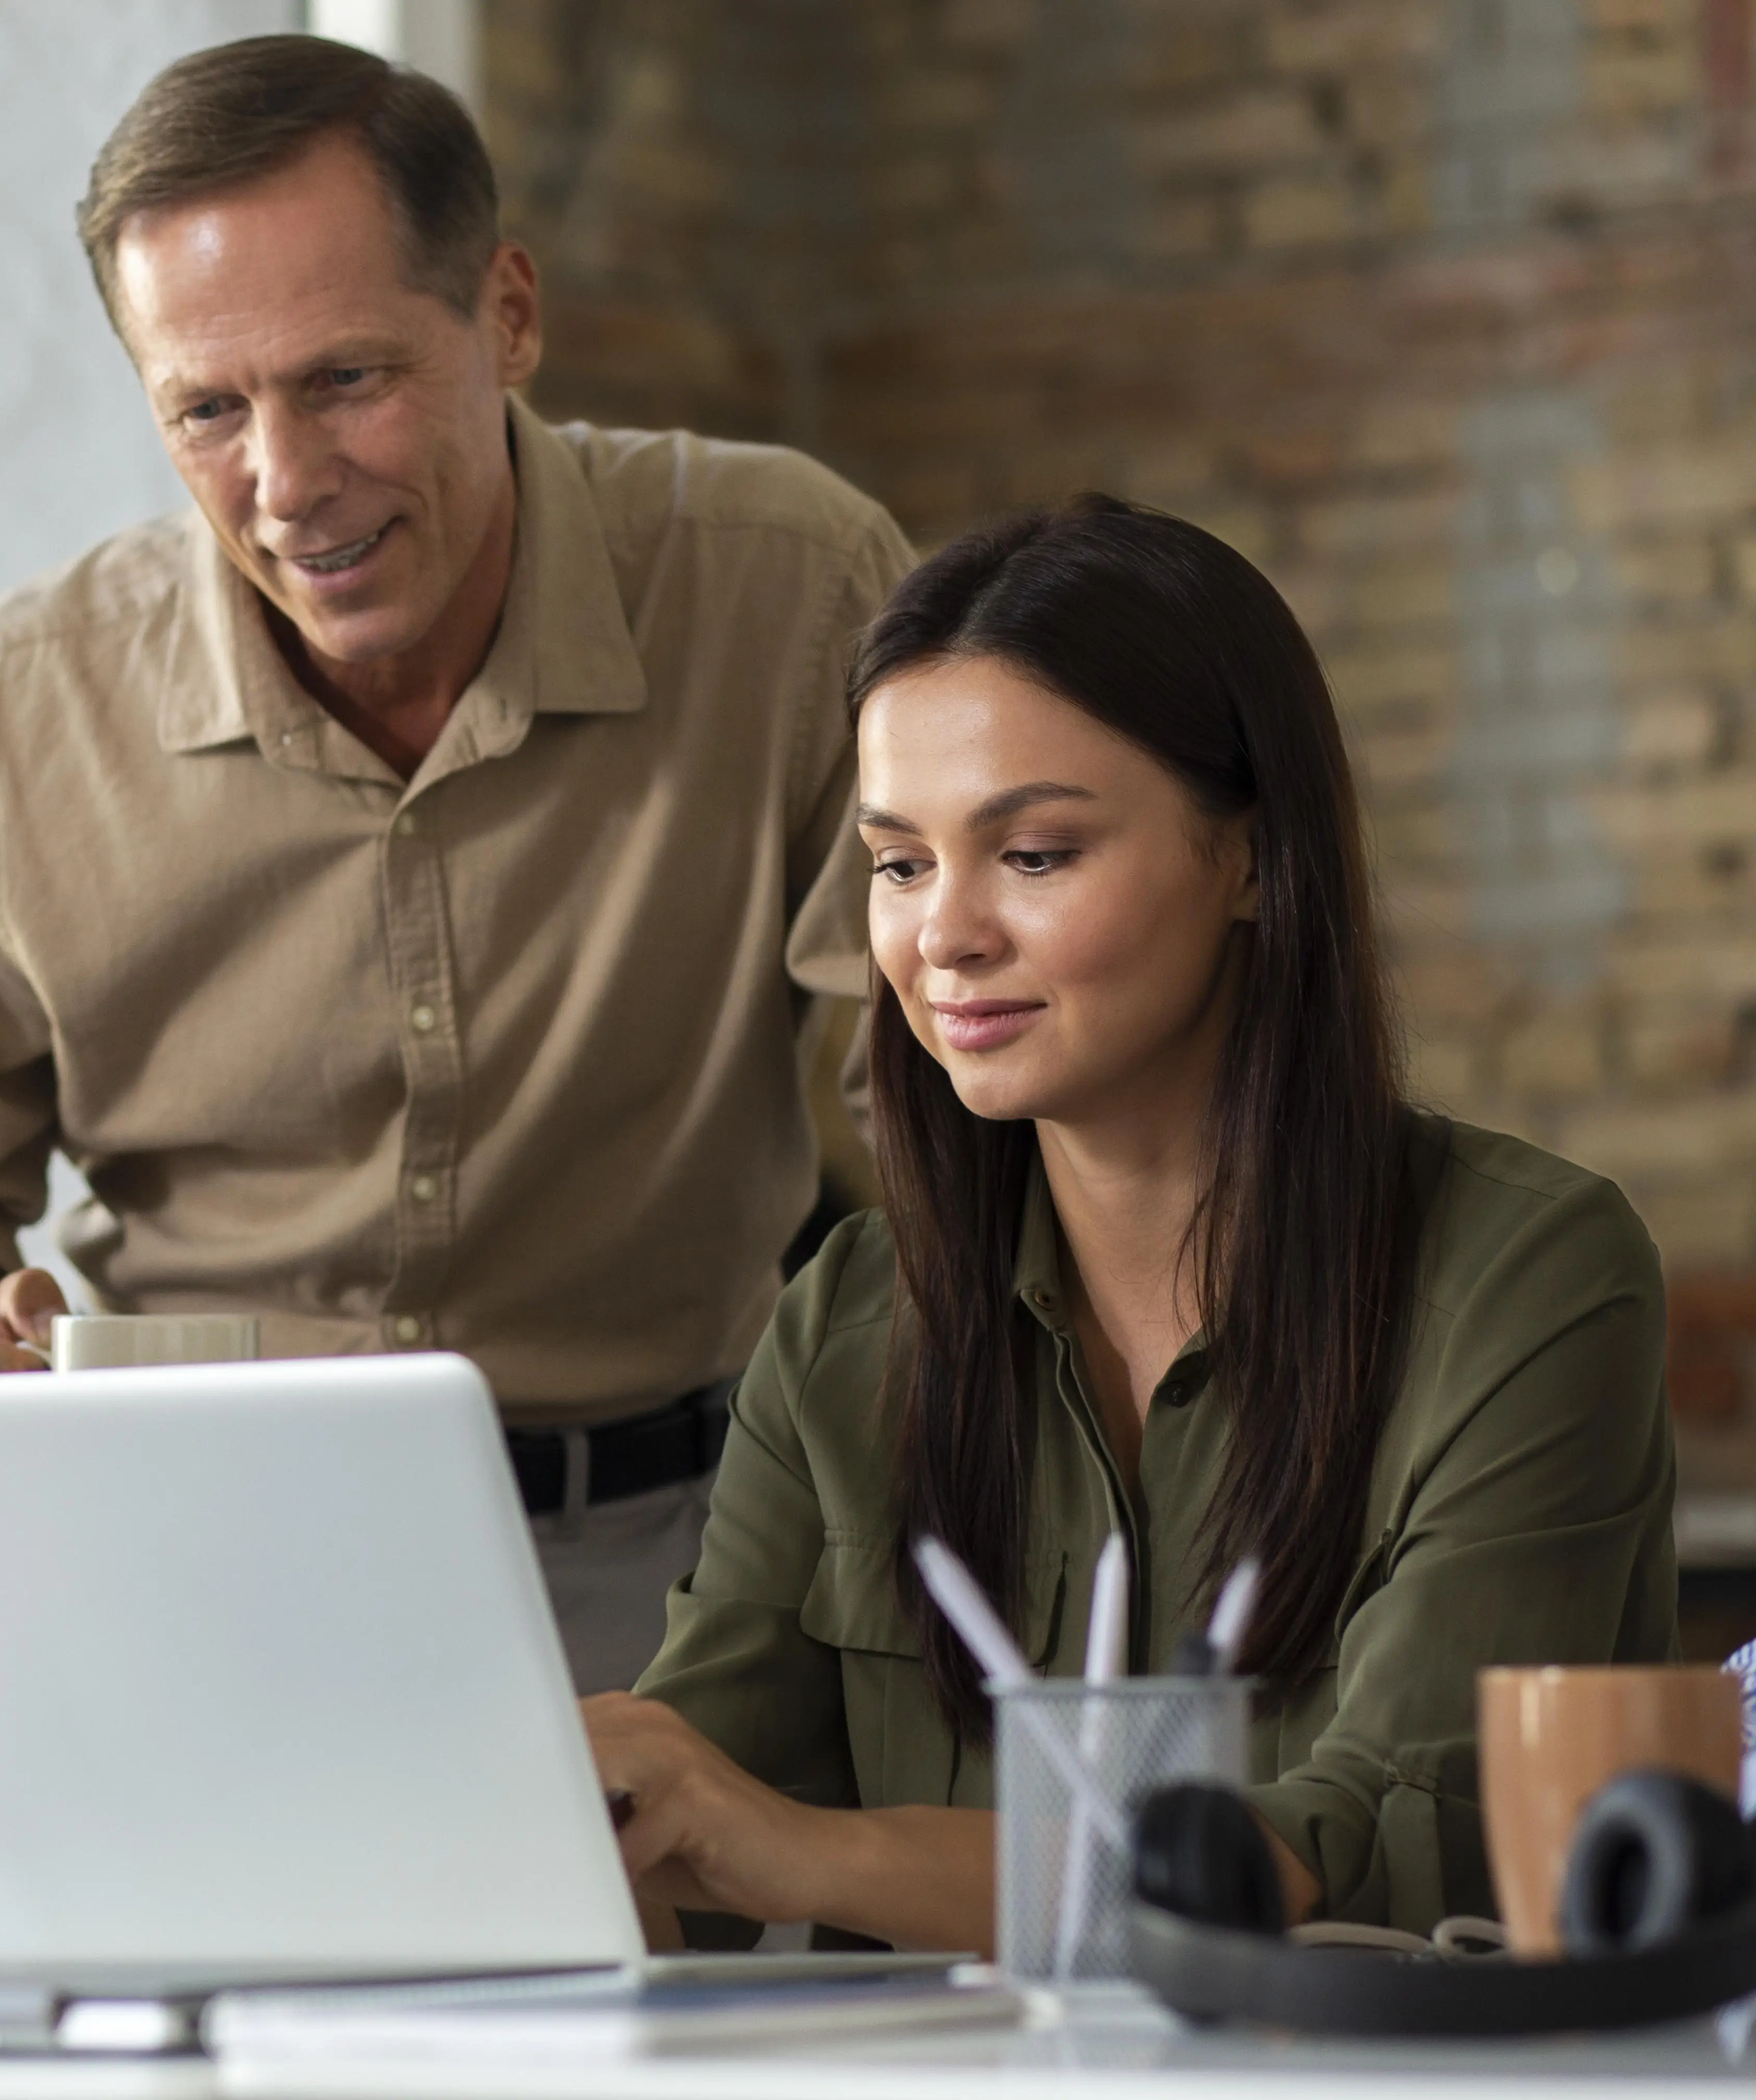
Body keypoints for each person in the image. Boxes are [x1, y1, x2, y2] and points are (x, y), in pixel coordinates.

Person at [0, 34, 913, 1694]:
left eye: (345, 381)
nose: (288, 484)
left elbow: (951, 1067)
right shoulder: (11, 708)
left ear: (508, 318)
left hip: (685, 1560)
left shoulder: (787, 584)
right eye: (208, 409)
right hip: (177, 1553)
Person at [584, 497, 1675, 1951]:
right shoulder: (850, 1314)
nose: (942, 932)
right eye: (900, 862)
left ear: (1252, 861)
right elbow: (687, 1819)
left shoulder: (1531, 1279)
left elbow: (1357, 1841)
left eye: (1033, 854)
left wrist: (799, 1855)